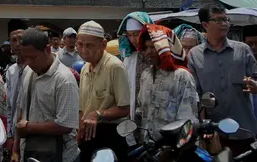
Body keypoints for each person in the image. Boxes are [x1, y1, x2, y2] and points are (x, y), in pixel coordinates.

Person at [187, 7, 257, 156]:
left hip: (243, 129)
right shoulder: (195, 55)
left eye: (226, 19)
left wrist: (254, 86)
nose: (225, 24)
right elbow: (198, 95)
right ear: (205, 25)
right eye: (219, 20)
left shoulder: (243, 50)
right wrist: (204, 129)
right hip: (215, 133)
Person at [12, 28, 79, 162]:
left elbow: (65, 125)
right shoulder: (28, 71)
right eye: (25, 58)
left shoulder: (64, 79)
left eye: (33, 57)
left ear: (47, 50)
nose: (29, 62)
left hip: (61, 156)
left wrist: (29, 127)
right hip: (31, 153)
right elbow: (21, 112)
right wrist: (15, 151)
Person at [76, 21, 130, 162]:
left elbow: (125, 108)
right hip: (88, 136)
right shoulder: (84, 69)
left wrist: (98, 114)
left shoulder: (115, 67)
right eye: (80, 44)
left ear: (103, 45)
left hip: (111, 135)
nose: (83, 50)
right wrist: (80, 129)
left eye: (89, 45)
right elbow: (82, 108)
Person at [135, 25, 198, 141]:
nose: (149, 52)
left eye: (153, 47)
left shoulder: (182, 77)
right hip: (148, 148)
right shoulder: (146, 75)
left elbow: (187, 120)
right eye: (146, 48)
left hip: (172, 150)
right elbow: (141, 111)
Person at [116, 12, 153, 120]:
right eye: (129, 35)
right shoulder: (128, 57)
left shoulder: (155, 55)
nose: (132, 39)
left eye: (136, 34)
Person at [5, 19, 28, 159]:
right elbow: (9, 106)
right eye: (13, 40)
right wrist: (10, 135)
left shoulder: (36, 69)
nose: (18, 44)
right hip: (14, 135)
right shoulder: (10, 71)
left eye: (21, 39)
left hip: (30, 135)